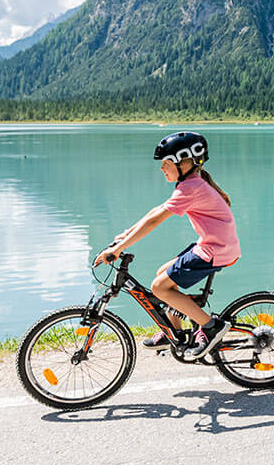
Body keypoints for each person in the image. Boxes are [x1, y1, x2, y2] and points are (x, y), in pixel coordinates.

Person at [95, 131, 241, 351]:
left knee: (159, 287)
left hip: (215, 251)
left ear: (185, 163)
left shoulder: (191, 188)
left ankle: (211, 326)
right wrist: (125, 235)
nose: (161, 168)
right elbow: (156, 211)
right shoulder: (191, 184)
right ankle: (174, 332)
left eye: (166, 163)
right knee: (162, 275)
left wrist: (119, 249)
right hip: (213, 246)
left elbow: (155, 221)